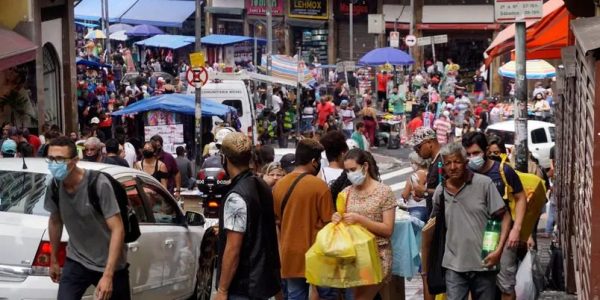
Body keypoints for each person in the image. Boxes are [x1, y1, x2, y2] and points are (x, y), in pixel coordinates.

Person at [44, 136, 129, 300]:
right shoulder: (54, 186)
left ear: (75, 160)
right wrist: (53, 259)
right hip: (77, 260)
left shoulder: (98, 184)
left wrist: (108, 275)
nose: (55, 164)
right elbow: (55, 221)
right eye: (51, 158)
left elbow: (118, 229)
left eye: (60, 159)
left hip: (109, 264)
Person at [431, 142, 509, 300]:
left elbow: (505, 217)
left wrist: (499, 250)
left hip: (484, 263)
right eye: (448, 163)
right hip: (453, 265)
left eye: (457, 162)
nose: (453, 167)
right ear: (443, 166)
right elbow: (433, 226)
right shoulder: (440, 192)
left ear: (465, 162)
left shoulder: (483, 184)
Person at [215, 132, 281, 300]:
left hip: (243, 286)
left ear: (225, 159)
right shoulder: (261, 184)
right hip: (262, 282)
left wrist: (222, 290)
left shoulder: (237, 196)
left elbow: (233, 248)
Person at [462, 132, 528, 299]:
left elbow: (521, 198)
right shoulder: (465, 174)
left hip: (503, 235)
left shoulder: (503, 171)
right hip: (475, 236)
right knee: (474, 283)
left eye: (476, 153)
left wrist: (517, 229)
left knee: (506, 284)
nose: (472, 158)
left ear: (485, 151)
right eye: (468, 154)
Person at [272, 139, 336, 300]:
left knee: (295, 295)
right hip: (319, 253)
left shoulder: (279, 185)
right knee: (327, 295)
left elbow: (277, 219)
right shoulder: (319, 187)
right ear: (314, 162)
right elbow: (330, 222)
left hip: (290, 253)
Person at [330, 149, 395, 300]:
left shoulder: (384, 192)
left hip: (378, 255)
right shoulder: (346, 192)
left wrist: (361, 220)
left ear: (365, 166)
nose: (350, 174)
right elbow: (343, 221)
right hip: (354, 256)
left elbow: (388, 229)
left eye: (353, 169)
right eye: (347, 171)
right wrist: (337, 218)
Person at [409, 127, 442, 215]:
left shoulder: (443, 161)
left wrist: (425, 191)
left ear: (429, 142)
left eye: (418, 147)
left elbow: (449, 192)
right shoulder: (434, 162)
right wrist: (423, 194)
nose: (417, 152)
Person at [402, 151, 429, 223]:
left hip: (415, 209)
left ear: (417, 163)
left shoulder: (414, 176)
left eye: (412, 162)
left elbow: (405, 195)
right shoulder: (430, 173)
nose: (411, 165)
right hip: (428, 207)